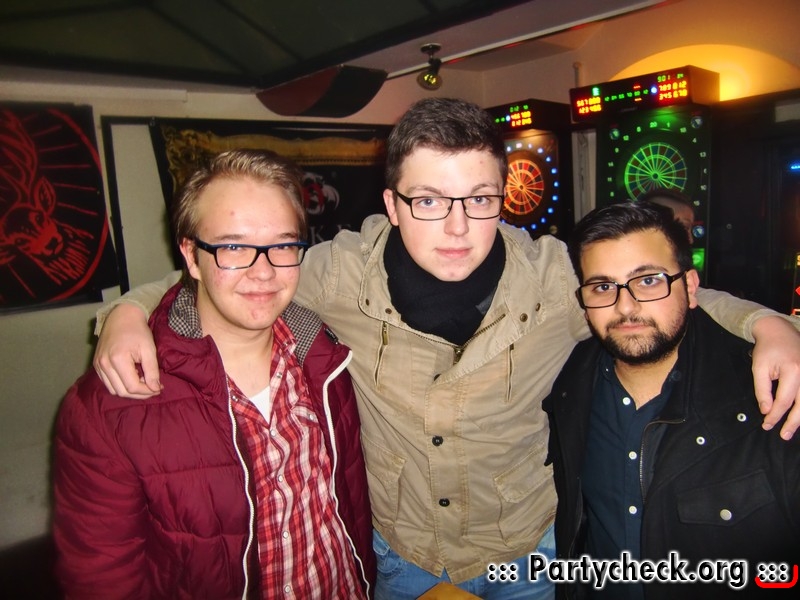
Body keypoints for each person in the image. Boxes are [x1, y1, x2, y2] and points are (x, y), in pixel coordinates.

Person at [91, 99, 800, 600]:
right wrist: (124, 311)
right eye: (429, 201)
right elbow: (235, 267)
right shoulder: (335, 273)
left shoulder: (558, 279)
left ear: (502, 198)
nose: (457, 227)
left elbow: (657, 291)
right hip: (403, 560)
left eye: (479, 199)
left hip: (528, 555)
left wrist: (769, 325)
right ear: (393, 205)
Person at [52, 149, 374, 599]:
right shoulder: (108, 407)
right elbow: (102, 579)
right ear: (191, 255)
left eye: (283, 245)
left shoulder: (327, 359)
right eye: (233, 247)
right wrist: (125, 311)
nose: (264, 272)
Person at [544, 201, 800, 599]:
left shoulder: (772, 397)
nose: (625, 307)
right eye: (603, 287)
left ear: (691, 287)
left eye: (648, 280)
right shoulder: (570, 382)